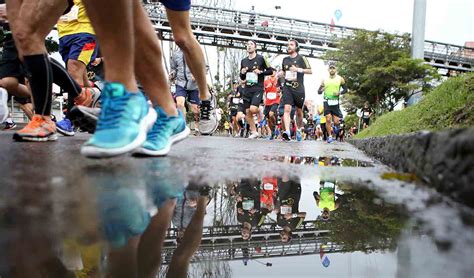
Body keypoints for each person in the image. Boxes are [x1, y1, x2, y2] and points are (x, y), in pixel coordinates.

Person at [80, 0, 218, 158]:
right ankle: (150, 107)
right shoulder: (174, 57)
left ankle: (203, 95)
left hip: (193, 84)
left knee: (182, 37)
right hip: (181, 83)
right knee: (128, 10)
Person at [55, 0, 101, 136]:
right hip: (64, 34)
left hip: (85, 32)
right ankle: (93, 94)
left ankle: (70, 121)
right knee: (78, 74)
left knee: (73, 71)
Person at [278, 39, 312, 142]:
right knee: (287, 109)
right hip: (288, 87)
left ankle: (298, 129)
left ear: (296, 47)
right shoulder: (285, 60)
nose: (289, 46)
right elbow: (284, 72)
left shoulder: (302, 58)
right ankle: (287, 132)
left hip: (299, 89)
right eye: (288, 45)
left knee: (299, 112)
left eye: (291, 45)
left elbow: (310, 71)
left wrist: (298, 69)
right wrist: (281, 74)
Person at [239, 40, 273, 139]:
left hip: (257, 88)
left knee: (253, 109)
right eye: (247, 44)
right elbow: (241, 77)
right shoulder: (243, 61)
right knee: (247, 112)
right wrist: (242, 72)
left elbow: (270, 71)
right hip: (247, 89)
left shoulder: (261, 58)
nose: (249, 46)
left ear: (255, 47)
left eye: (251, 44)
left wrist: (261, 72)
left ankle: (260, 110)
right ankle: (254, 132)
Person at [169, 47, 200, 132]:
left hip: (193, 86)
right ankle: (182, 126)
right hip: (181, 84)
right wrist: (172, 74)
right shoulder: (176, 54)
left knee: (195, 110)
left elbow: (205, 67)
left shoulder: (196, 52)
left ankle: (197, 126)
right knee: (179, 104)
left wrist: (196, 74)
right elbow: (174, 69)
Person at [318, 63, 347, 143]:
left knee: (336, 121)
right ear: (328, 70)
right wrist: (321, 90)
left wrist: (339, 93)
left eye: (333, 68)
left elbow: (345, 89)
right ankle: (330, 136)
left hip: (335, 102)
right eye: (330, 68)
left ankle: (335, 129)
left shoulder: (340, 79)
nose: (332, 70)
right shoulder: (324, 79)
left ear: (336, 70)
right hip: (326, 101)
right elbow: (319, 91)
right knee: (328, 119)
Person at [277, 177, 306, 243]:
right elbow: (304, 214)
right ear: (289, 236)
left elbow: (278, 211)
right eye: (284, 238)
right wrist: (292, 215)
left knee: (284, 175)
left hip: (283, 195)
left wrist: (276, 207)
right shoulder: (295, 226)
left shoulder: (279, 223)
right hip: (294, 195)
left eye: (281, 237)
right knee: (295, 173)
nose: (282, 236)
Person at [263, 70, 280, 139]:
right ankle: (272, 130)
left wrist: (279, 92)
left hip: (275, 100)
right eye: (271, 71)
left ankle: (275, 124)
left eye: (274, 71)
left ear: (275, 73)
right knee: (268, 119)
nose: (272, 73)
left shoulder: (278, 81)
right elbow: (263, 91)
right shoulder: (266, 81)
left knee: (271, 114)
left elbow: (281, 89)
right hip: (268, 101)